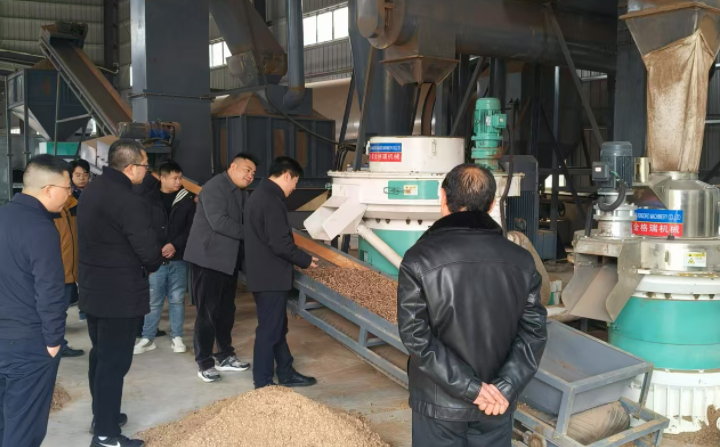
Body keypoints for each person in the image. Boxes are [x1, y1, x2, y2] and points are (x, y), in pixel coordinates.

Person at [397, 163, 547, 447]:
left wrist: (471, 389)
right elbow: (534, 334)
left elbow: (416, 336)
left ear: (443, 197)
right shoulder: (522, 260)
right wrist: (505, 387)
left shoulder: (419, 258)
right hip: (496, 404)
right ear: (491, 204)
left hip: (439, 405)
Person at [78, 139, 163, 447]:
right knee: (113, 364)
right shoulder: (127, 200)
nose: (147, 171)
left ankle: (103, 415)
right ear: (130, 167)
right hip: (119, 295)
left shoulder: (93, 190)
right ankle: (105, 435)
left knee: (101, 357)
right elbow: (149, 253)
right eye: (145, 166)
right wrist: (155, 258)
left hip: (94, 289)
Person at [0, 155, 71, 447]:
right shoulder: (41, 228)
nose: (69, 195)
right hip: (28, 341)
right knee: (23, 426)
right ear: (49, 189)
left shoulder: (3, 215)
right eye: (67, 188)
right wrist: (54, 341)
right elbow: (50, 290)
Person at [244, 156, 319, 389]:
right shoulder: (271, 200)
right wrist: (306, 260)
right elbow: (280, 243)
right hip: (270, 276)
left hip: (262, 273)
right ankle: (263, 382)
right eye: (295, 182)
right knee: (269, 330)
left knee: (277, 326)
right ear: (287, 175)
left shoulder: (259, 195)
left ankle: (285, 372)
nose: (294, 188)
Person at [184, 153, 258, 383]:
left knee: (226, 311)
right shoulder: (214, 187)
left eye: (253, 173)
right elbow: (220, 222)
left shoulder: (241, 193)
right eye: (247, 170)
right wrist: (255, 234)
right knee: (207, 313)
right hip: (208, 260)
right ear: (233, 166)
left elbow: (247, 219)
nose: (250, 175)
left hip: (228, 260)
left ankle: (225, 355)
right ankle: (204, 362)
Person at [134, 160, 196, 355]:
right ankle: (147, 338)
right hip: (156, 258)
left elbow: (191, 228)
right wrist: (158, 248)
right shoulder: (148, 199)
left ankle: (177, 337)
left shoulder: (187, 199)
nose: (178, 182)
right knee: (153, 300)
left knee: (177, 299)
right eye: (174, 178)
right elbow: (143, 229)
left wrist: (174, 245)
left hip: (178, 258)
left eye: (180, 178)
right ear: (162, 178)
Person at [53, 193, 85, 357]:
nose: (68, 190)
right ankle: (56, 346)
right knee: (54, 313)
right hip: (54, 272)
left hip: (70, 271)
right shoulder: (48, 210)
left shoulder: (73, 206)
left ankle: (58, 345)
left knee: (60, 312)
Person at [70, 159, 91, 321]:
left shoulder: (94, 192)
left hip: (92, 240)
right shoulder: (67, 195)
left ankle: (86, 309)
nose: (82, 178)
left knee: (88, 276)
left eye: (85, 174)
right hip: (73, 241)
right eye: (78, 175)